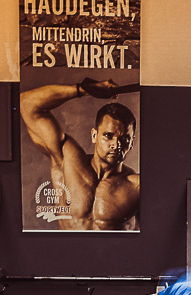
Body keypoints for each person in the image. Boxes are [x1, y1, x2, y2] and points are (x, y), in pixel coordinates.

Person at [19, 80, 139, 230]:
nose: (116, 145)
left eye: (124, 139)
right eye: (108, 136)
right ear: (94, 135)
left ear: (132, 142)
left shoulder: (136, 186)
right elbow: (26, 104)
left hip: (112, 253)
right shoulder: (66, 160)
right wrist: (82, 89)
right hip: (69, 252)